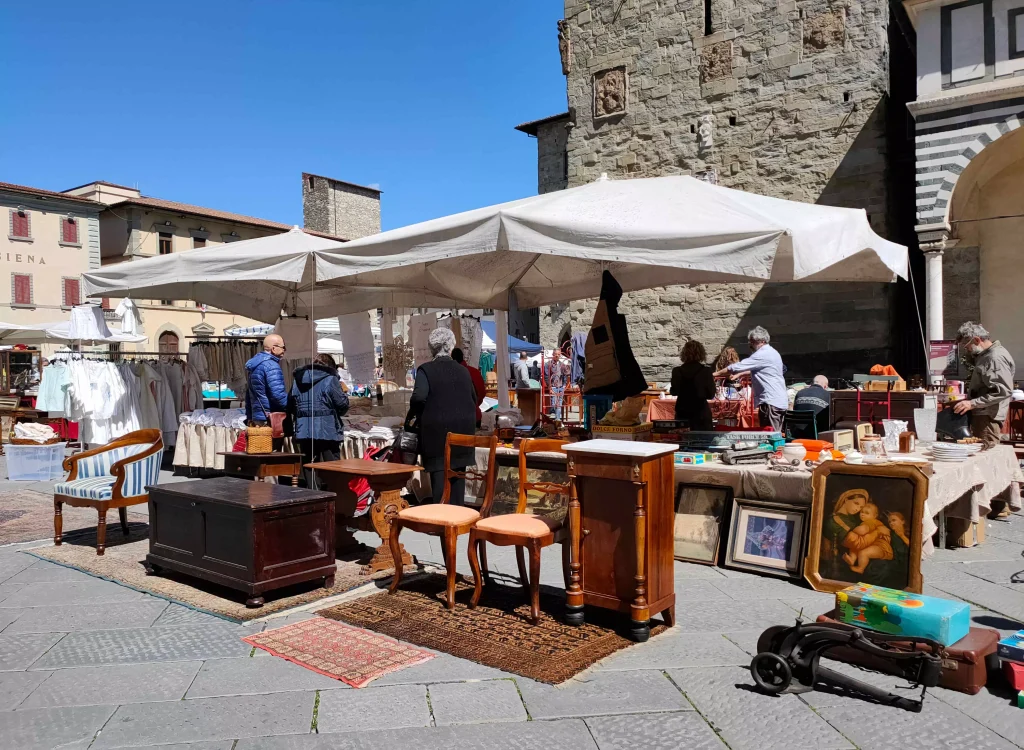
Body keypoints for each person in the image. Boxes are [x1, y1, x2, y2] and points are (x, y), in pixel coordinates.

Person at [409, 328, 478, 505]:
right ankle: (456, 521)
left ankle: (442, 525)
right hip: (463, 435)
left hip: (437, 437)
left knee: (440, 485)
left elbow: (418, 397)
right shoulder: (464, 371)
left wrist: (421, 414)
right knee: (458, 482)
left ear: (431, 348)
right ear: (451, 346)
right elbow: (473, 398)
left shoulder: (426, 370)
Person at [290, 354, 350, 488]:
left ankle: (314, 496)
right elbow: (342, 405)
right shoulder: (331, 379)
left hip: (304, 428)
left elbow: (291, 403)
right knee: (332, 466)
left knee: (309, 464)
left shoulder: (298, 379)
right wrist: (344, 394)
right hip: (327, 428)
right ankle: (334, 496)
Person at [953, 322, 1016, 448]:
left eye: (967, 347)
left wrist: (972, 403)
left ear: (977, 339)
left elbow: (1003, 391)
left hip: (987, 417)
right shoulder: (986, 355)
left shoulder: (994, 358)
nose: (967, 350)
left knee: (986, 456)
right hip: (983, 414)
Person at [714, 326, 788, 432]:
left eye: (752, 342)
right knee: (775, 434)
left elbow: (734, 367)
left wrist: (715, 374)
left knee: (770, 436)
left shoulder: (762, 354)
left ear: (761, 341)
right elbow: (760, 369)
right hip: (779, 401)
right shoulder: (773, 352)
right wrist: (740, 375)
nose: (750, 345)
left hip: (770, 402)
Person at [669, 340, 716, 430]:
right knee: (703, 441)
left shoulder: (677, 371)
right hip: (701, 412)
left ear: (684, 353)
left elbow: (674, 391)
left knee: (683, 440)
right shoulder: (706, 371)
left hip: (683, 411)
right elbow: (711, 394)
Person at [245, 333, 288, 426]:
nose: (284, 350)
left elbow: (249, 394)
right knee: (273, 440)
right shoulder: (271, 365)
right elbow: (278, 395)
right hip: (270, 416)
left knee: (261, 440)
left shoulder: (256, 365)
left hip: (258, 415)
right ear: (274, 348)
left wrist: (249, 415)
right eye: (283, 347)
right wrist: (291, 406)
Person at [452, 347, 486, 427]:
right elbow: (482, 392)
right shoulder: (474, 372)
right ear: (463, 356)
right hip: (474, 415)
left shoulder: (450, 374)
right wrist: (475, 404)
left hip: (456, 418)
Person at [545, 347, 572, 420]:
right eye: (556, 354)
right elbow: (547, 376)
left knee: (559, 404)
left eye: (559, 354)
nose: (557, 356)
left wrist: (564, 385)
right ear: (553, 354)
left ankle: (558, 420)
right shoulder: (548, 364)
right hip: (553, 386)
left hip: (560, 386)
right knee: (553, 404)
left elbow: (566, 374)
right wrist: (549, 387)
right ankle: (552, 414)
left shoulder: (561, 364)